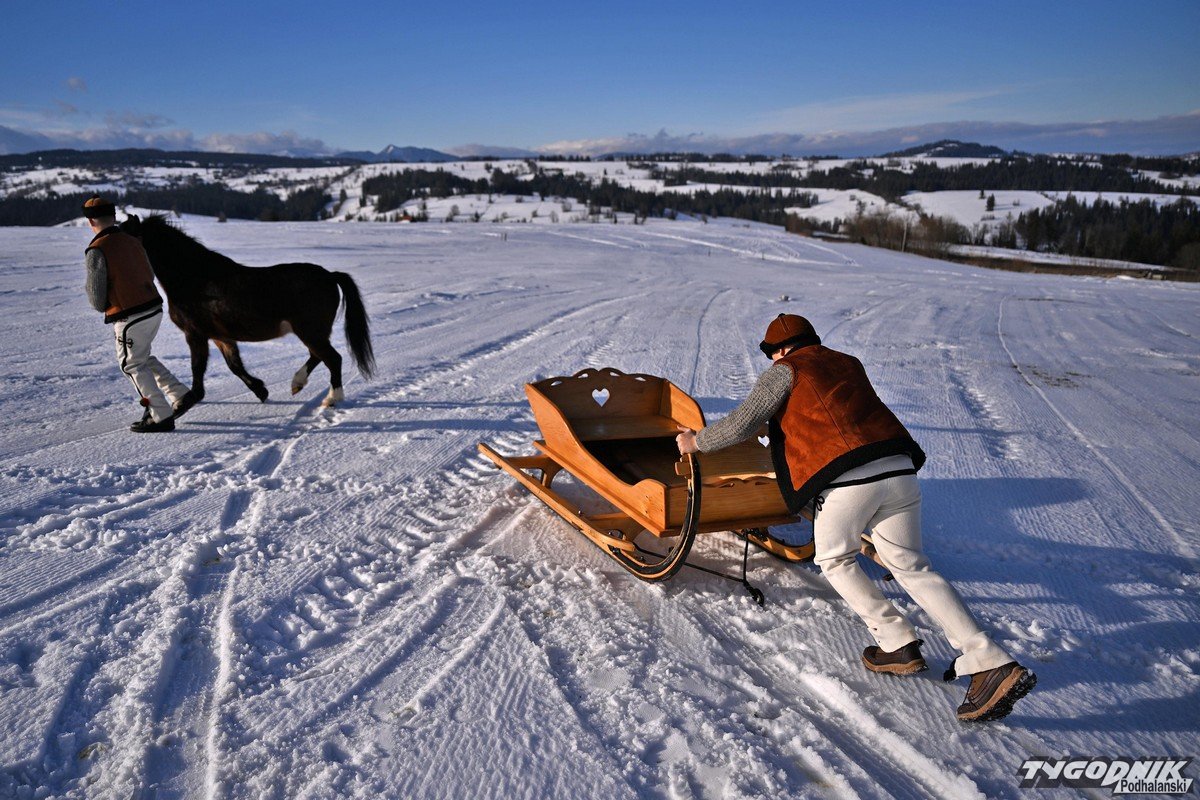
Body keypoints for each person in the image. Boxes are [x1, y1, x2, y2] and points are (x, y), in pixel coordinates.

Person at [676, 313, 1036, 722]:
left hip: (849, 479)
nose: (773, 358)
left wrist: (695, 442)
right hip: (899, 469)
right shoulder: (847, 362)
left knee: (834, 558)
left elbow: (742, 423)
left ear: (780, 349)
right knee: (912, 567)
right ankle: (988, 659)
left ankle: (895, 640)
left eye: (771, 352)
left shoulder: (785, 370)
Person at [82, 195, 189, 433]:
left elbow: (96, 297)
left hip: (129, 315)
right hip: (153, 308)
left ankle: (159, 414)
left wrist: (107, 304)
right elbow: (148, 273)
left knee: (130, 364)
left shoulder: (97, 249)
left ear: (90, 221)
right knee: (141, 356)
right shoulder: (132, 240)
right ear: (113, 216)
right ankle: (178, 393)